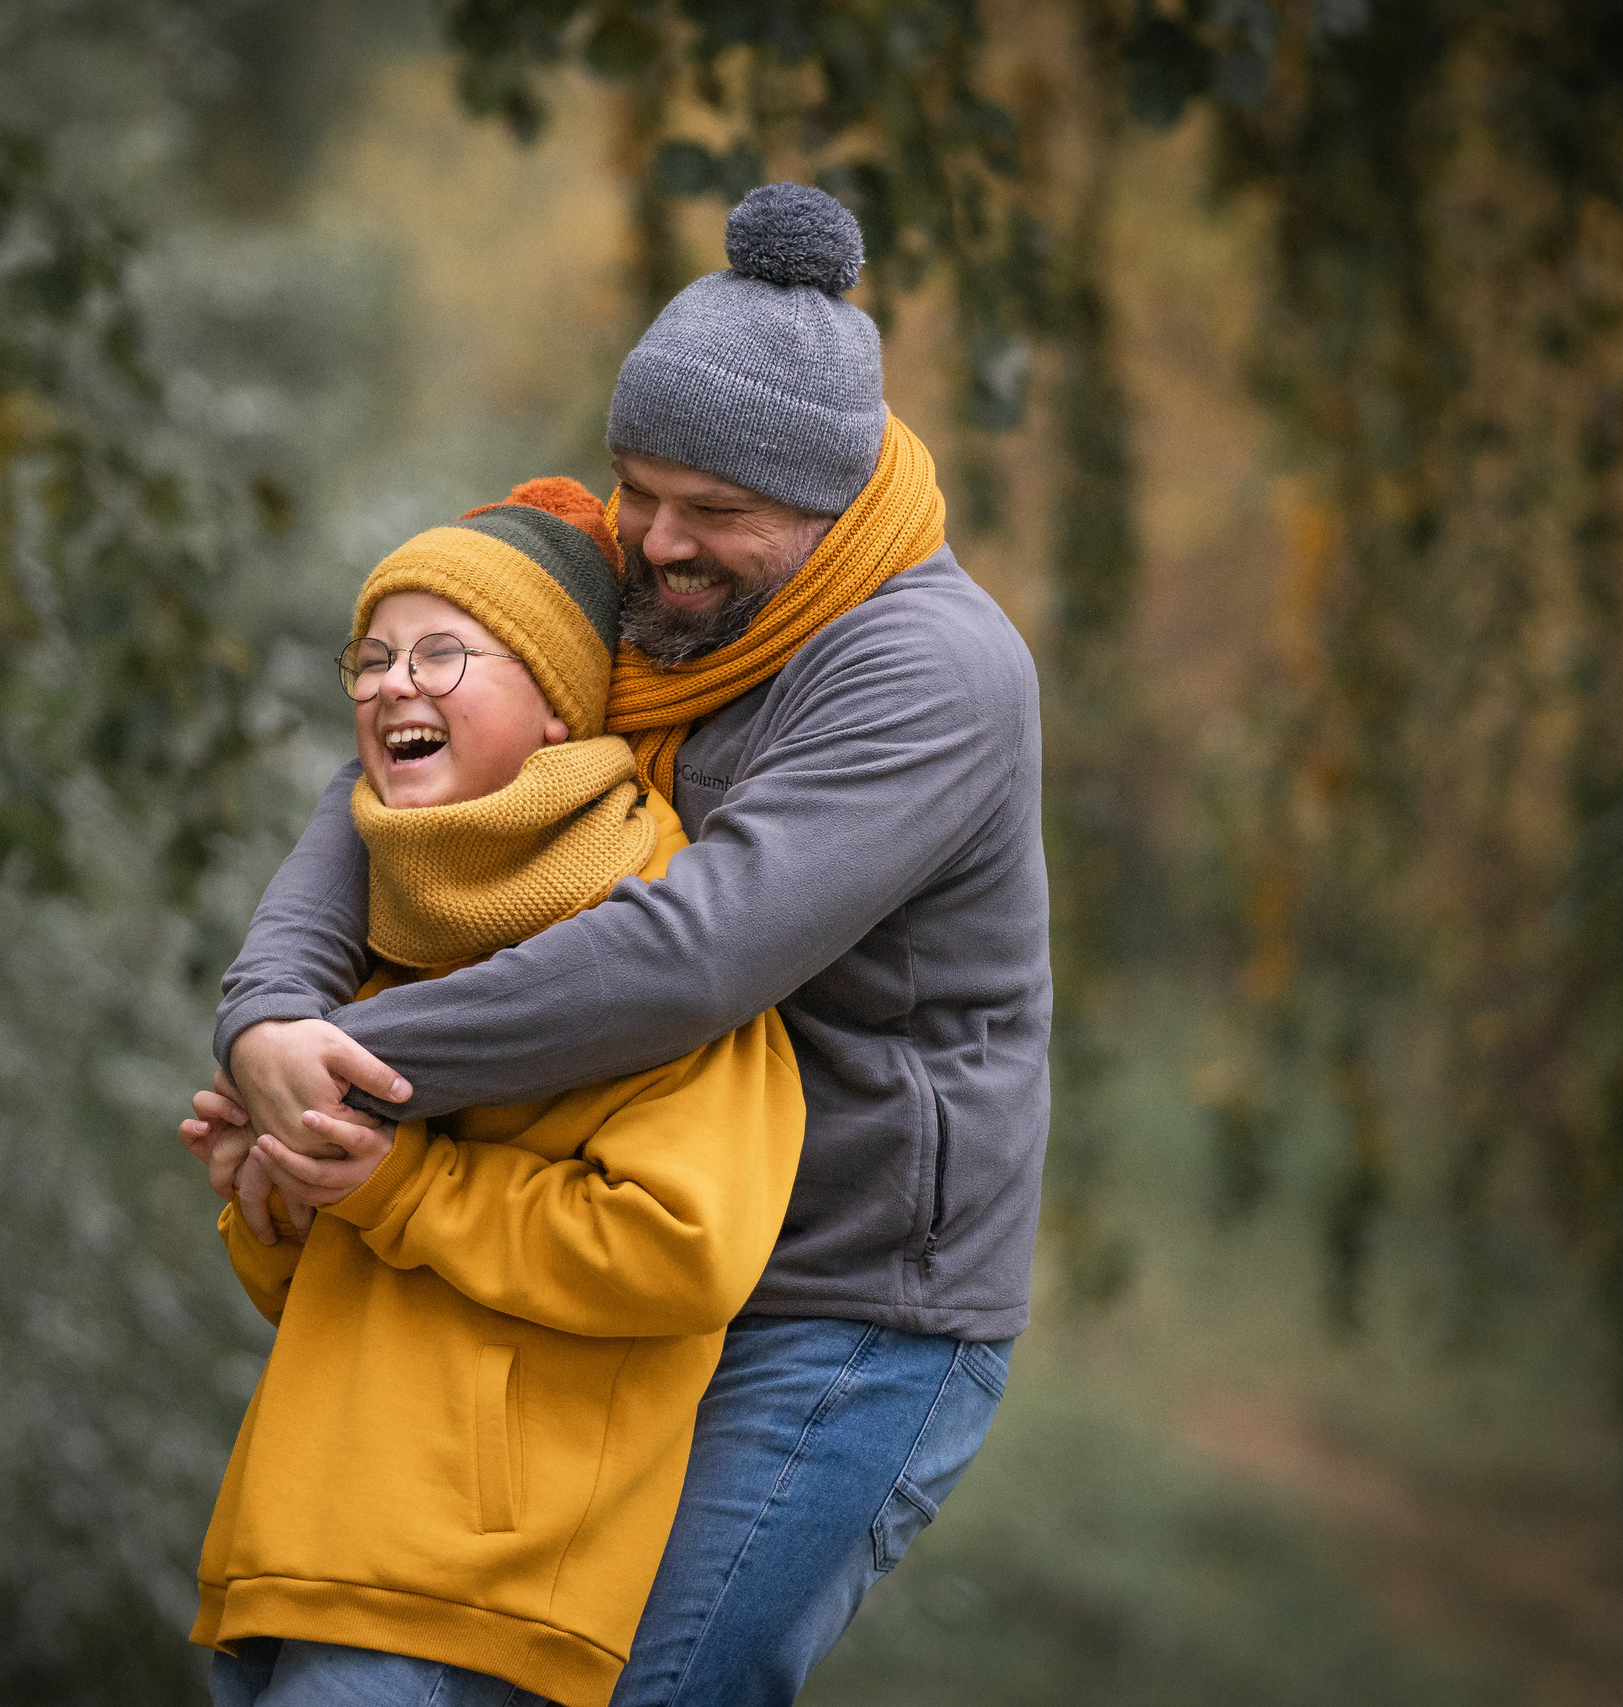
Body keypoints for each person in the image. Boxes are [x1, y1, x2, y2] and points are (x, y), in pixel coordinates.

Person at [198, 182, 1050, 1705]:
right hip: (613, 1264)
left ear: (827, 499)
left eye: (711, 510)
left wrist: (346, 1073)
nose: (655, 540)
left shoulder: (929, 670)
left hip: (845, 1300)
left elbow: (690, 958)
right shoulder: (661, 584)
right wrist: (269, 1017)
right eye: (636, 488)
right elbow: (394, 764)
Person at [183, 479, 807, 1707]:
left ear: (557, 697)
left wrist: (400, 1184)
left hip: (468, 1601)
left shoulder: (654, 938)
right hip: (293, 1559)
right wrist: (273, 1190)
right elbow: (330, 1293)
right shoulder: (376, 937)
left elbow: (682, 1250)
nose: (391, 686)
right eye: (371, 660)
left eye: (440, 654)